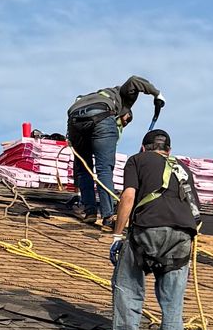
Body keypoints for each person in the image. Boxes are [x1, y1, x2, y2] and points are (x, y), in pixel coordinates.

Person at [105, 126, 202, 330]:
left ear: (143, 147)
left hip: (148, 228)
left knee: (127, 287)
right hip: (182, 235)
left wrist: (117, 235)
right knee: (173, 301)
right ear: (168, 150)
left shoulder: (137, 160)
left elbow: (128, 196)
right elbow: (196, 211)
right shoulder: (183, 169)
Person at [67, 75, 164, 228]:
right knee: (104, 169)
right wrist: (157, 94)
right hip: (101, 114)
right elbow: (134, 81)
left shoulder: (93, 96)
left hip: (74, 119)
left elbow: (79, 167)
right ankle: (108, 216)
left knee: (84, 168)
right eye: (125, 121)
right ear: (127, 113)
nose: (122, 124)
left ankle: (90, 211)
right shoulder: (124, 98)